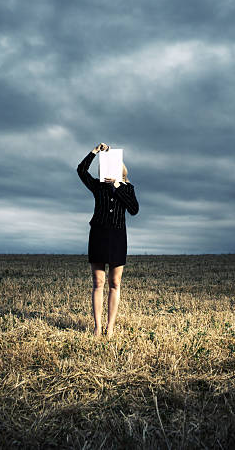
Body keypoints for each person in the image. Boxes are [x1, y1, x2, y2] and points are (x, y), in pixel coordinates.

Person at [77, 142, 139, 337]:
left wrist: (118, 186)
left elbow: (134, 209)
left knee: (115, 282)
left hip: (118, 236)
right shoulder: (98, 186)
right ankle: (97, 326)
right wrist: (94, 152)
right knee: (98, 281)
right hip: (98, 234)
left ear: (121, 169)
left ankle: (110, 327)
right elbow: (81, 170)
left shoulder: (127, 188)